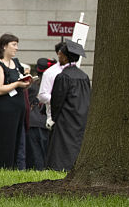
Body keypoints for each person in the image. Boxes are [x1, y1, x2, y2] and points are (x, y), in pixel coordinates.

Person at [0, 33, 31, 169]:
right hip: (4, 110)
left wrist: (26, 82)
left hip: (18, 109)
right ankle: (2, 168)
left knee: (17, 142)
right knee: (5, 141)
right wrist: (17, 84)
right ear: (4, 46)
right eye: (14, 45)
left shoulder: (16, 63)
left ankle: (12, 167)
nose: (16, 48)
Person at [47, 40, 91, 171]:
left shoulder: (63, 77)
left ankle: (62, 167)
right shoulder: (84, 76)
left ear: (65, 57)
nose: (59, 57)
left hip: (66, 117)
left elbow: (57, 100)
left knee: (63, 145)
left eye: (60, 55)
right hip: (82, 116)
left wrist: (54, 117)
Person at [26, 57, 55, 170]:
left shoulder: (31, 85)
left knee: (35, 152)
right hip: (45, 121)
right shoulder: (52, 84)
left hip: (32, 122)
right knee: (46, 151)